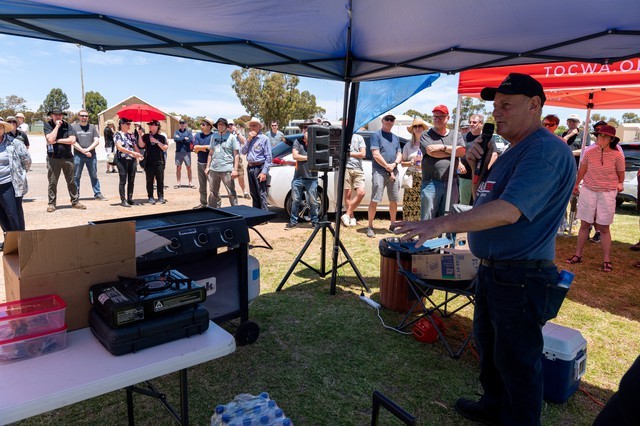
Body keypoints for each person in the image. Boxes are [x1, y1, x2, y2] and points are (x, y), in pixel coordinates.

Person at [397, 73, 575, 425]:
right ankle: (494, 405)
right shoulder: (514, 150)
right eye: (495, 107)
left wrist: (440, 223)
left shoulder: (544, 150)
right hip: (496, 269)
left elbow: (509, 210)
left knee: (518, 361)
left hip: (521, 274)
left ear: (534, 105)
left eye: (507, 106)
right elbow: (486, 197)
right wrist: (476, 164)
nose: (498, 114)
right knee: (492, 350)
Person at [566, 125, 624, 272]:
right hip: (588, 191)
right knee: (584, 225)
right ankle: (578, 255)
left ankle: (606, 259)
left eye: (605, 136)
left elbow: (620, 174)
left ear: (611, 139)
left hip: (607, 193)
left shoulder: (617, 155)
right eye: (599, 135)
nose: (601, 138)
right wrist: (576, 184)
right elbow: (582, 169)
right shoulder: (589, 152)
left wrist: (619, 183)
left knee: (604, 228)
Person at [420, 105, 466, 220]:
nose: (437, 119)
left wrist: (442, 147)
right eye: (435, 116)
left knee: (449, 218)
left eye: (441, 116)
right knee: (427, 217)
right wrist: (452, 152)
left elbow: (462, 151)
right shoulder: (426, 135)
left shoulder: (456, 135)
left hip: (452, 182)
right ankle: (426, 239)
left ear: (448, 118)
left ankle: (447, 238)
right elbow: (431, 152)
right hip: (431, 182)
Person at [366, 114, 402, 238]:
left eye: (392, 120)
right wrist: (388, 167)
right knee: (375, 198)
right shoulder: (376, 135)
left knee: (394, 200)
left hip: (394, 171)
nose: (389, 121)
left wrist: (395, 164)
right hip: (379, 171)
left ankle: (393, 225)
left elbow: (399, 154)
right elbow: (376, 154)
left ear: (393, 122)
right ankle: (370, 226)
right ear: (382, 121)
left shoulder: (396, 138)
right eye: (387, 119)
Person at [44, 108, 85, 212]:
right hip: (53, 158)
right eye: (56, 115)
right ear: (51, 115)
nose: (58, 117)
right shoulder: (48, 125)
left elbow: (72, 140)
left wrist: (57, 140)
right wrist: (57, 126)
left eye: (60, 115)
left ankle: (75, 201)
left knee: (72, 181)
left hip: (68, 157)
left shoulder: (67, 125)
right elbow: (50, 139)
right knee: (52, 182)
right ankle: (52, 204)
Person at [0, 120, 31, 242]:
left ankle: (22, 243)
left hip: (9, 185)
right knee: (2, 216)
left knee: (14, 216)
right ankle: (10, 242)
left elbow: (27, 161)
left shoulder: (15, 143)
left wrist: (19, 175)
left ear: (3, 129)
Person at [286, 120, 318, 230]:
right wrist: (309, 158)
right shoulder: (298, 142)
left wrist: (303, 157)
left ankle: (315, 221)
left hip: (312, 177)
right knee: (295, 200)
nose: (306, 129)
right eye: (305, 127)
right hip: (298, 177)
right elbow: (295, 156)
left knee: (313, 201)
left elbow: (319, 157)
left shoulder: (316, 143)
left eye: (309, 127)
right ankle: (293, 222)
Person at [71, 110, 107, 201]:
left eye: (86, 116)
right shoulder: (74, 127)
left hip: (91, 155)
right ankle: (75, 195)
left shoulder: (92, 128)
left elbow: (96, 141)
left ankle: (97, 193)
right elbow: (73, 141)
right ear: (78, 117)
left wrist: (87, 150)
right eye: (82, 116)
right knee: (76, 176)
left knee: (94, 175)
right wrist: (83, 151)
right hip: (78, 156)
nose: (84, 117)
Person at [205, 117, 239, 207]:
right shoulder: (214, 136)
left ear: (226, 126)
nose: (220, 126)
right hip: (214, 169)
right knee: (213, 193)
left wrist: (235, 170)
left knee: (231, 192)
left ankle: (235, 212)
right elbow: (210, 153)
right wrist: (207, 167)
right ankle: (212, 212)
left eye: (222, 124)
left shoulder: (232, 138)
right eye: (219, 124)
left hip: (227, 169)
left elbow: (236, 154)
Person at [240, 117, 272, 210]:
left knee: (261, 192)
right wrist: (249, 140)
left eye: (254, 125)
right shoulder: (249, 139)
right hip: (250, 167)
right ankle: (256, 213)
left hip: (259, 167)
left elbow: (269, 157)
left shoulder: (264, 139)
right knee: (253, 193)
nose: (252, 128)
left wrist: (264, 172)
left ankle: (264, 215)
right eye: (251, 126)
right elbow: (243, 151)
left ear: (259, 127)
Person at [400, 117, 428, 221]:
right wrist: (411, 162)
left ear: (423, 128)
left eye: (420, 126)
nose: (417, 128)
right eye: (415, 126)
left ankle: (421, 225)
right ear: (412, 130)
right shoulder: (408, 145)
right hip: (411, 176)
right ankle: (409, 225)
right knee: (409, 203)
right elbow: (402, 163)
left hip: (424, 175)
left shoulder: (427, 144)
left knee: (423, 201)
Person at [114, 117, 143, 207]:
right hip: (122, 159)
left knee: (132, 179)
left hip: (132, 160)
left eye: (130, 124)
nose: (129, 125)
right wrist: (132, 153)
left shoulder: (131, 135)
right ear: (121, 124)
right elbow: (120, 147)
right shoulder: (117, 135)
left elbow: (135, 146)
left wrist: (139, 155)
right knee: (123, 180)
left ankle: (130, 198)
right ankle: (123, 200)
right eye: (127, 123)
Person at [138, 120, 168, 204]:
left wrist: (156, 141)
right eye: (150, 125)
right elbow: (141, 145)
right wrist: (140, 135)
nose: (150, 126)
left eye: (152, 125)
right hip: (149, 162)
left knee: (160, 180)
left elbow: (165, 148)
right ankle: (150, 196)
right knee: (149, 180)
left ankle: (161, 197)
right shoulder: (146, 136)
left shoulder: (161, 137)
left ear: (157, 126)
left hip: (159, 162)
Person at [341, 132, 367, 227]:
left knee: (361, 193)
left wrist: (348, 153)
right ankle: (351, 217)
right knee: (348, 194)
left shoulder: (359, 137)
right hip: (346, 168)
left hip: (358, 168)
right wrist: (355, 154)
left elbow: (363, 154)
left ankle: (347, 214)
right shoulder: (342, 137)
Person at [192, 117, 216, 209]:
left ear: (209, 126)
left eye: (203, 124)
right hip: (200, 163)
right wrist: (206, 147)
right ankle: (203, 204)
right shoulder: (198, 135)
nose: (201, 126)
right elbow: (195, 149)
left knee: (213, 186)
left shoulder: (214, 136)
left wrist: (201, 147)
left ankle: (216, 205)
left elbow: (213, 148)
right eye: (201, 124)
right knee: (202, 186)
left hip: (211, 165)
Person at [230, 121, 250, 199]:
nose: (230, 126)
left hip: (238, 158)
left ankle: (244, 191)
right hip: (228, 158)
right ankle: (232, 192)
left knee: (240, 175)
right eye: (228, 125)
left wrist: (237, 133)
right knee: (228, 177)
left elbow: (244, 142)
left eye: (231, 124)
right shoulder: (225, 134)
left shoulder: (237, 134)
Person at [173, 118, 194, 188]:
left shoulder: (189, 132)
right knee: (178, 167)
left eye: (183, 123)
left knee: (189, 167)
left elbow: (191, 140)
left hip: (187, 152)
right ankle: (178, 183)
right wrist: (184, 138)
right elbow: (176, 139)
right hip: (178, 152)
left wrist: (181, 139)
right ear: (179, 124)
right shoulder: (176, 132)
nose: (182, 124)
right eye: (180, 123)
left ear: (185, 124)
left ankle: (190, 183)